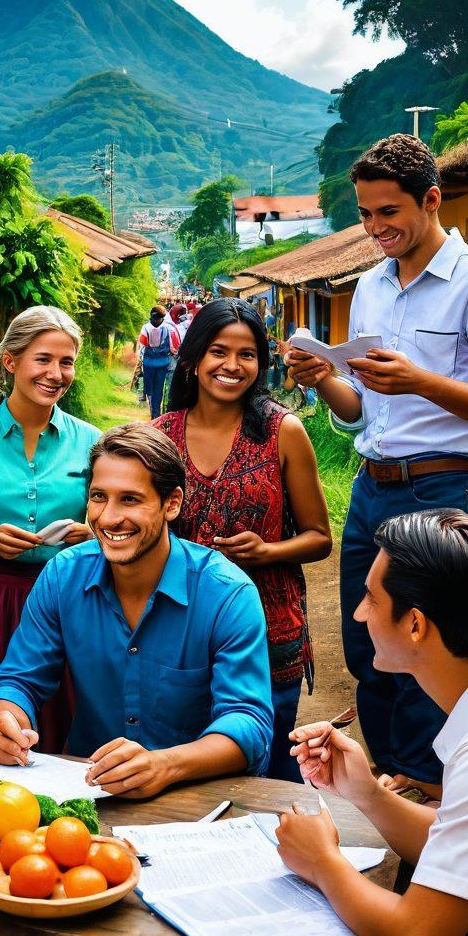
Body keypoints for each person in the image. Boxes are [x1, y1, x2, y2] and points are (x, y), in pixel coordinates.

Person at [286, 134, 468, 787]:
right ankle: (390, 785)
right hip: (371, 488)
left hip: (445, 490)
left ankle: (435, 800)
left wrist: (421, 382)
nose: (375, 228)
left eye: (388, 212)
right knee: (370, 645)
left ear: (431, 200)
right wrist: (322, 376)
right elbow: (359, 410)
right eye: (365, 214)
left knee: (433, 652)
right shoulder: (370, 286)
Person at [277, 509, 468, 936]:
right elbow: (461, 839)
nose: (358, 614)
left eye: (371, 599)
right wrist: (367, 794)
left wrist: (321, 861)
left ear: (415, 624)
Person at [0, 423, 273, 795]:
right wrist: (4, 722)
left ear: (172, 504)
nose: (108, 518)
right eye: (98, 497)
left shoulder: (227, 594)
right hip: (88, 795)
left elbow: (249, 723)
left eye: (130, 500)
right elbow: (18, 680)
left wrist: (164, 765)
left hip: (199, 798)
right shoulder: (62, 575)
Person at [153, 298, 332, 780]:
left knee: (268, 773)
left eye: (246, 354)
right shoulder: (160, 436)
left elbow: (319, 538)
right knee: (184, 769)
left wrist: (267, 551)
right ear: (193, 358)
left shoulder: (283, 431)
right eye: (218, 351)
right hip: (180, 630)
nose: (232, 366)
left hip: (270, 631)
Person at [0, 306, 100, 752]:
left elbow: (112, 522)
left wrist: (91, 537)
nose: (55, 373)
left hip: (67, 598)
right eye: (43, 359)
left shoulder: (91, 441)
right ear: (11, 361)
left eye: (66, 362)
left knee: (60, 719)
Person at [138, 305, 173, 418]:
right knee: (158, 388)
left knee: (150, 388)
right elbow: (172, 347)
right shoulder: (167, 328)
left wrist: (141, 360)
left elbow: (142, 346)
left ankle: (153, 411)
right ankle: (156, 412)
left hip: (148, 363)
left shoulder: (145, 328)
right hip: (163, 363)